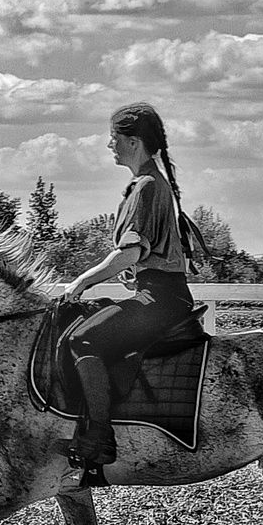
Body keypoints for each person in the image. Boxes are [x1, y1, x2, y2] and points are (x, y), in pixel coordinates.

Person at [62, 102, 204, 465]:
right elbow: (144, 258)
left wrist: (81, 282)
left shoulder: (146, 187)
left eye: (114, 138)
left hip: (159, 300)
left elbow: (129, 253)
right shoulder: (152, 184)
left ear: (134, 142)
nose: (109, 145)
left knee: (82, 338)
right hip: (159, 293)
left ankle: (99, 437)